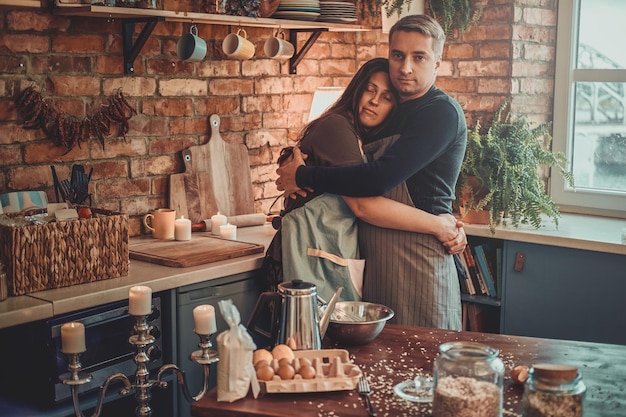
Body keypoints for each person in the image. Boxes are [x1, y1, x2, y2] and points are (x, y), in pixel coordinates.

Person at [276, 15, 467, 330]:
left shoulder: (439, 113)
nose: (405, 67)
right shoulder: (390, 113)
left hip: (418, 261)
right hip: (377, 261)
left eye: (418, 57)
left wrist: (303, 176)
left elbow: (376, 180)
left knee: (419, 363)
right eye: (398, 55)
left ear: (437, 63)